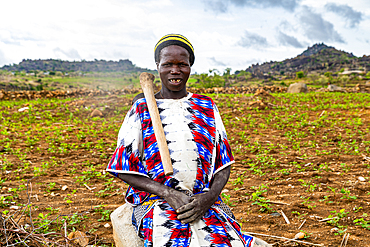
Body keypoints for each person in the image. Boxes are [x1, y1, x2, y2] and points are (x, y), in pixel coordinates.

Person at [107, 34, 269, 247]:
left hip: (201, 200)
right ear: (158, 66)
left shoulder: (206, 107)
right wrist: (167, 193)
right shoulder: (142, 108)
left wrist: (209, 197)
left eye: (182, 64)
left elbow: (224, 163)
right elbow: (122, 166)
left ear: (190, 66)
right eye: (168, 64)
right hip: (158, 201)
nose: (175, 70)